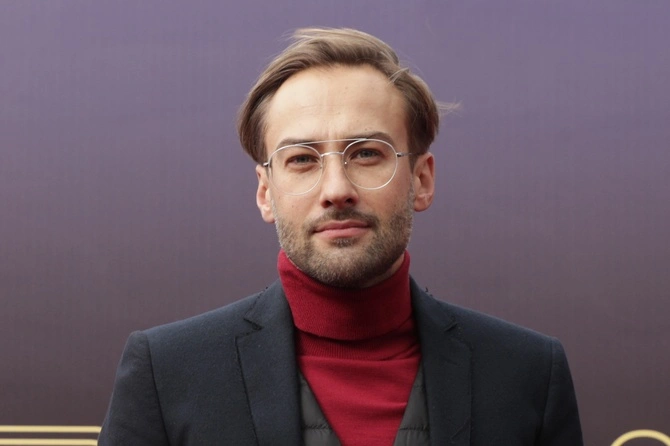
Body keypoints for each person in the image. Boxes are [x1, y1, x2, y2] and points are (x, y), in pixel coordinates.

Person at [98, 28, 583, 446]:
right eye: (302, 159)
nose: (336, 190)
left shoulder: (528, 375)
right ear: (266, 193)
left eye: (366, 153)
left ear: (421, 180)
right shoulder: (167, 373)